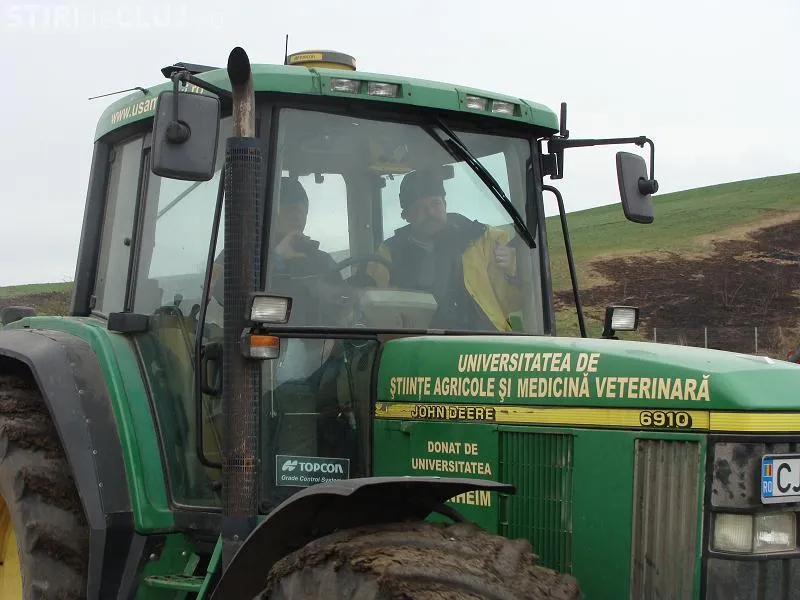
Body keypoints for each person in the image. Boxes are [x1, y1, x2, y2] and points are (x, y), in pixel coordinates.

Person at [365, 168, 522, 331]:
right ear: (406, 216)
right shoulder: (388, 253)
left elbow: (512, 303)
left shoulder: (481, 239)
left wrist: (513, 269)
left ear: (445, 205)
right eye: (420, 208)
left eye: (436, 204)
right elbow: (371, 311)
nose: (430, 212)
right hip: (414, 341)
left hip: (483, 340)